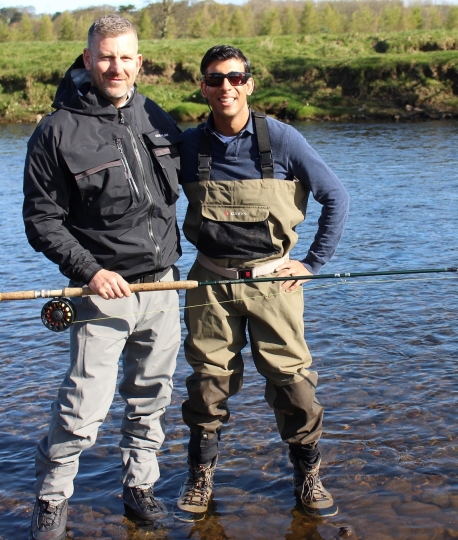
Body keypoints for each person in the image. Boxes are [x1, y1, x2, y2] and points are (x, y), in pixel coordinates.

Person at [22, 14, 182, 540]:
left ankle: (139, 488)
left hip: (166, 285)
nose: (117, 67)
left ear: (140, 61)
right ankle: (51, 500)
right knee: (82, 406)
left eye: (126, 57)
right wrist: (90, 272)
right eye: (106, 57)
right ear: (88, 60)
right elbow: (41, 221)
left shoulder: (154, 114)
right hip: (103, 291)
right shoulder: (56, 130)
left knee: (151, 396)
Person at [175, 45, 349, 520]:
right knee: (207, 387)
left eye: (235, 77)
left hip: (277, 284)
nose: (225, 86)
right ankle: (200, 477)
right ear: (203, 86)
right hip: (209, 283)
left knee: (294, 385)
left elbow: (336, 197)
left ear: (250, 83)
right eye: (214, 79)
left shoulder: (284, 140)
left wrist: (312, 263)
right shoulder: (188, 146)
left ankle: (308, 475)